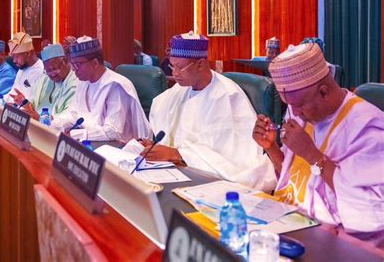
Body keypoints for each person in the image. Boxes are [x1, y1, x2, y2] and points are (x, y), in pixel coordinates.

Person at [253, 42, 384, 246]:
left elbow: (371, 212)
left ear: (323, 92)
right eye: (290, 106)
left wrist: (314, 156)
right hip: (292, 224)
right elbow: (295, 180)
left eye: (299, 105)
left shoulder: (367, 126)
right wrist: (271, 147)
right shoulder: (305, 115)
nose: (295, 113)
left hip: (341, 242)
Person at [144, 31, 276, 191]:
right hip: (178, 171)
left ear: (200, 64)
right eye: (172, 66)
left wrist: (176, 154)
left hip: (210, 183)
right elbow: (166, 129)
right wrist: (155, 147)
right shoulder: (179, 90)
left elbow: (229, 161)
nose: (174, 73)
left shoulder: (227, 96)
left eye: (180, 67)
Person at [55, 36, 151, 141]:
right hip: (90, 143)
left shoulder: (115, 86)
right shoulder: (83, 83)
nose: (74, 70)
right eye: (72, 65)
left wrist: (75, 135)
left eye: (77, 64)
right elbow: (74, 114)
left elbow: (113, 131)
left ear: (95, 63)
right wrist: (54, 123)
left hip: (117, 148)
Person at [20, 43, 78, 123]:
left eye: (55, 68)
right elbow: (32, 100)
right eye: (49, 70)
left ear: (65, 61)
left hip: (56, 128)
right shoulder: (44, 79)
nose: (52, 74)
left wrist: (43, 119)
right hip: (36, 124)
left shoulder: (75, 83)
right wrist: (25, 105)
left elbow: (71, 115)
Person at [6, 32, 44, 103]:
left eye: (16, 57)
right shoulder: (22, 68)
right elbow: (11, 95)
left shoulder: (41, 72)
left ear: (28, 53)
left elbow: (34, 104)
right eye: (12, 57)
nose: (14, 61)